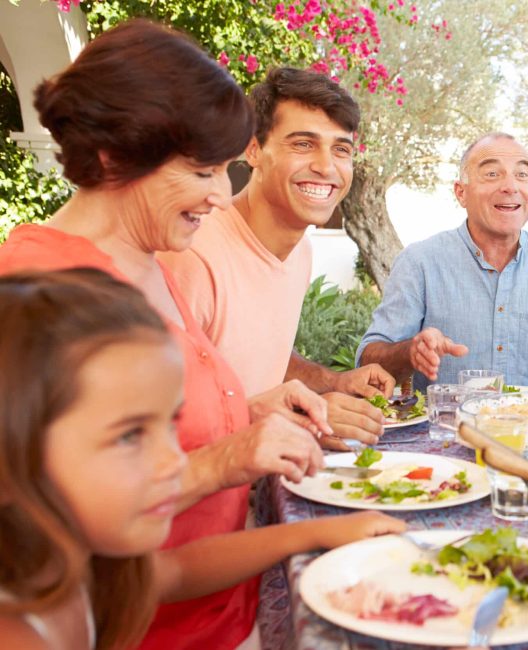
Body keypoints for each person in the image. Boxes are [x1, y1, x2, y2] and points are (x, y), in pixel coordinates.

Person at [0, 19, 330, 649]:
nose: (220, 196)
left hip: (218, 618)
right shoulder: (42, 283)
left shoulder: (149, 255)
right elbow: (43, 513)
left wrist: (253, 411)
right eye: (203, 171)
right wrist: (229, 459)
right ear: (113, 156)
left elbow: (160, 417)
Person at [0, 269, 405, 650]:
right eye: (129, 435)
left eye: (171, 425)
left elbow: (174, 572)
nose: (173, 460)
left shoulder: (86, 566)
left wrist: (312, 534)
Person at [159, 67, 390, 450]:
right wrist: (306, 419)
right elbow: (159, 425)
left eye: (341, 149)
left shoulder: (300, 251)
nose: (326, 166)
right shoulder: (193, 254)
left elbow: (259, 358)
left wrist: (333, 383)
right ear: (253, 150)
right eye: (303, 144)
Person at [357, 132, 528, 391]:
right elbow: (368, 360)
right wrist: (409, 351)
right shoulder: (420, 263)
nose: (510, 187)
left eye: (522, 175)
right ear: (461, 193)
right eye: (492, 174)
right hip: (450, 429)